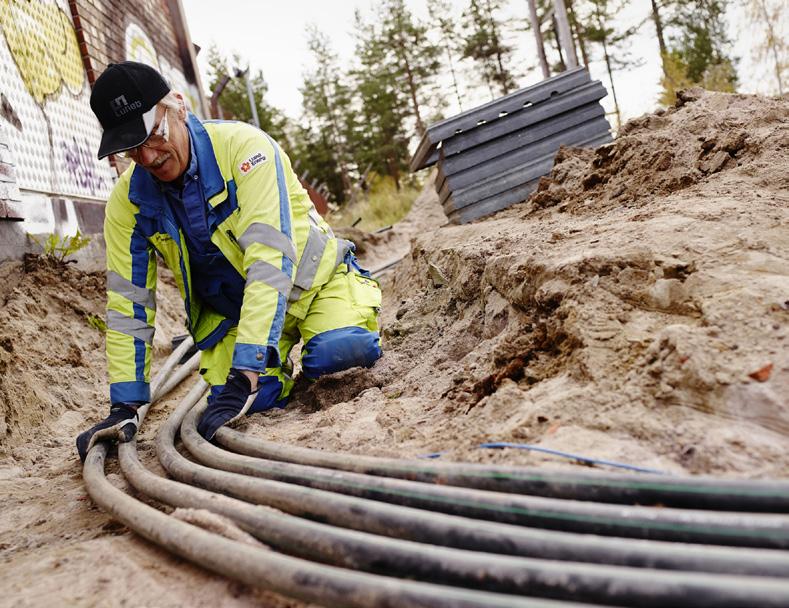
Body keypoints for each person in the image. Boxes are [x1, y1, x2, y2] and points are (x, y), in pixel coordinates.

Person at [76, 61, 382, 461]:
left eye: (152, 134)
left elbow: (269, 261)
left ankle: (316, 336)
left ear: (178, 107)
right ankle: (271, 374)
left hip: (316, 287)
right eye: (132, 147)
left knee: (338, 354)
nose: (148, 156)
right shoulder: (128, 204)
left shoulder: (245, 151)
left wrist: (248, 368)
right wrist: (126, 404)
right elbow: (127, 306)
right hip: (236, 318)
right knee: (229, 410)